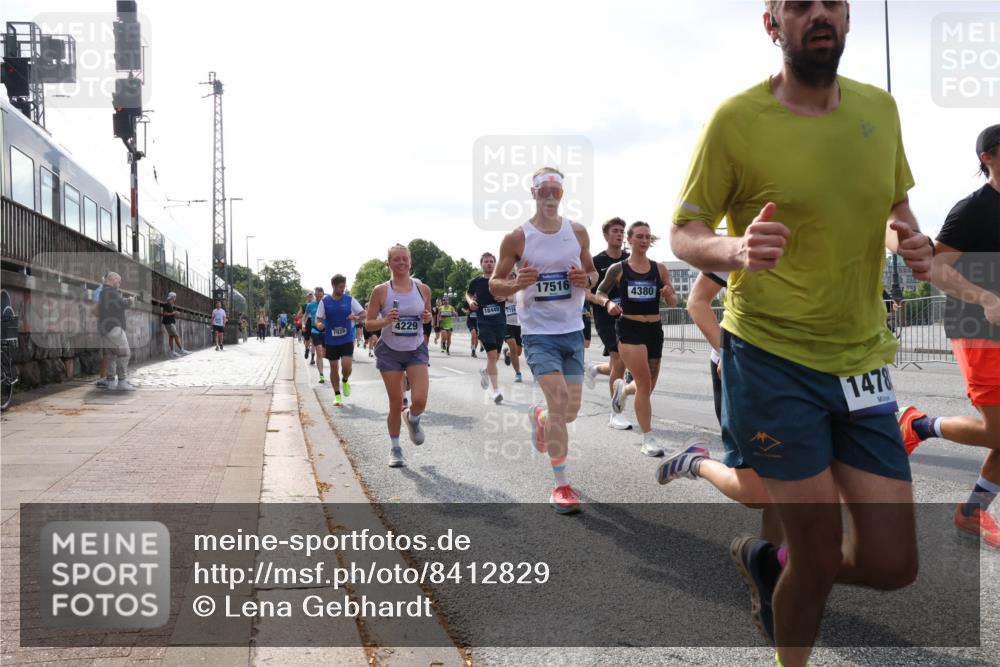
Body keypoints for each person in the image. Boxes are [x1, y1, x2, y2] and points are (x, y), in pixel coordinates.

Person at [670, 2, 934, 663]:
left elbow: (895, 203)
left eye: (833, 4)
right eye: (799, 4)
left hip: (860, 358)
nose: (819, 12)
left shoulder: (881, 109)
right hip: (770, 353)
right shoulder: (737, 120)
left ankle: (767, 559)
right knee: (815, 551)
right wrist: (733, 252)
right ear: (772, 25)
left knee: (895, 562)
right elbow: (684, 229)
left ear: (847, 21)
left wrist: (910, 235)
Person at [899, 124, 1000, 549]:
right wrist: (984, 297)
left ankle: (973, 512)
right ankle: (920, 424)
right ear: (988, 157)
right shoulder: (973, 208)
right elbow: (936, 268)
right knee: (998, 432)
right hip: (978, 325)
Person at [491, 166, 597, 514]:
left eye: (556, 189)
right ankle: (561, 486)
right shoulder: (517, 238)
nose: (550, 194)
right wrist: (516, 284)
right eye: (544, 188)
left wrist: (586, 277)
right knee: (559, 401)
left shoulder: (577, 232)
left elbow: (592, 274)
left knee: (568, 412)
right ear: (533, 192)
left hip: (572, 330)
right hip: (537, 334)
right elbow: (495, 285)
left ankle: (540, 419)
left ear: (562, 193)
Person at [656, 269, 783, 545]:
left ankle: (768, 567)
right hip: (743, 367)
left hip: (800, 369)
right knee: (756, 494)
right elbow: (697, 302)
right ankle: (696, 462)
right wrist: (727, 352)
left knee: (789, 477)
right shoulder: (749, 237)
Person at [595, 221, 677, 457]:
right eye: (639, 236)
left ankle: (621, 391)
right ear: (629, 240)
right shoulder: (618, 269)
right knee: (643, 382)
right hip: (629, 329)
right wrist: (608, 302)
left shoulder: (659, 269)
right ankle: (648, 439)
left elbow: (672, 302)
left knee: (648, 385)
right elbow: (600, 292)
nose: (644, 240)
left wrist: (670, 294)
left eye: (647, 237)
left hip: (654, 329)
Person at [366, 244, 433, 468]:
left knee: (420, 400)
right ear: (389, 263)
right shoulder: (381, 291)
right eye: (396, 259)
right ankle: (395, 448)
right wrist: (385, 321)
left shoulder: (423, 289)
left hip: (415, 349)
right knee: (395, 403)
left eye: (405, 259)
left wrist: (426, 318)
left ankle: (412, 418)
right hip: (390, 352)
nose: (402, 263)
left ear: (410, 262)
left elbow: (428, 316)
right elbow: (368, 322)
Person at [584, 218, 633, 430]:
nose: (619, 234)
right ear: (605, 235)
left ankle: (594, 368)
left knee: (618, 363)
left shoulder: (630, 259)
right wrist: (605, 302)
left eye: (622, 231)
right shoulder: (595, 262)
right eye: (615, 231)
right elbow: (586, 292)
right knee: (619, 359)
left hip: (628, 316)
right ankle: (616, 413)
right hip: (605, 315)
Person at [316, 278, 364, 406]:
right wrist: (319, 324)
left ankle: (345, 379)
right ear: (333, 285)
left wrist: (357, 317)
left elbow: (363, 313)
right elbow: (318, 319)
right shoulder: (325, 302)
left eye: (344, 287)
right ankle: (337, 395)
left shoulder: (349, 299)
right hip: (331, 340)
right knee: (334, 367)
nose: (343, 289)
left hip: (347, 338)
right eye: (340, 287)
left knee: (347, 366)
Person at [468, 252, 507, 403]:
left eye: (491, 261)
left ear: (495, 264)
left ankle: (485, 371)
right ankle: (496, 391)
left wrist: (505, 297)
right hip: (484, 323)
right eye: (486, 261)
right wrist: (470, 301)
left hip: (500, 322)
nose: (489, 263)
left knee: (496, 356)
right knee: (492, 356)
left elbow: (513, 295)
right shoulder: (476, 282)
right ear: (481, 264)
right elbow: (468, 294)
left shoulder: (501, 280)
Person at [98, 272, 136, 391]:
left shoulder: (104, 291)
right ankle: (122, 381)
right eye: (119, 281)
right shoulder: (110, 291)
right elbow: (120, 304)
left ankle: (110, 381)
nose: (119, 284)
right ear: (113, 279)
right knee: (124, 353)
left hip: (106, 329)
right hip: (114, 328)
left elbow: (114, 305)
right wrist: (129, 301)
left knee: (111, 355)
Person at [502, 276, 524, 383]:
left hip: (519, 324)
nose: (510, 279)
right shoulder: (502, 291)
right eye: (508, 277)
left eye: (513, 277)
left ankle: (507, 353)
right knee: (514, 348)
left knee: (518, 352)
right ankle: (518, 373)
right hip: (507, 324)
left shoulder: (520, 291)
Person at [305, 287, 326, 381]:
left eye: (321, 296)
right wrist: (302, 324)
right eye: (317, 295)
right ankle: (321, 375)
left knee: (326, 353)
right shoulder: (310, 305)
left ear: (323, 295)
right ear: (315, 295)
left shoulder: (327, 304)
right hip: (315, 330)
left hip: (326, 331)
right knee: (319, 352)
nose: (319, 298)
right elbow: (305, 316)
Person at [162, 292, 189, 357]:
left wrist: (174, 313)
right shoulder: (167, 304)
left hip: (171, 322)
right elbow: (164, 314)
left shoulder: (171, 304)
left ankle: (173, 352)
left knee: (171, 337)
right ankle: (182, 350)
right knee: (176, 336)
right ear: (172, 297)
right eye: (175, 297)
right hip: (169, 323)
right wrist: (174, 313)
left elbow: (169, 313)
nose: (175, 298)